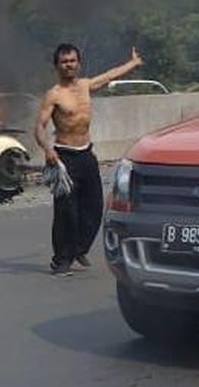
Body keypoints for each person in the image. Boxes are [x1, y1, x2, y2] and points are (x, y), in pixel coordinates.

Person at [35, 44, 143, 275]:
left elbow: (110, 76)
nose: (69, 65)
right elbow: (39, 127)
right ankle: (61, 260)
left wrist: (132, 64)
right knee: (66, 211)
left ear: (79, 63)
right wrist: (47, 149)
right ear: (57, 66)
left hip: (86, 155)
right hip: (64, 157)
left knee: (94, 207)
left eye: (72, 61)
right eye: (64, 62)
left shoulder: (85, 86)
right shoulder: (54, 94)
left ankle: (78, 248)